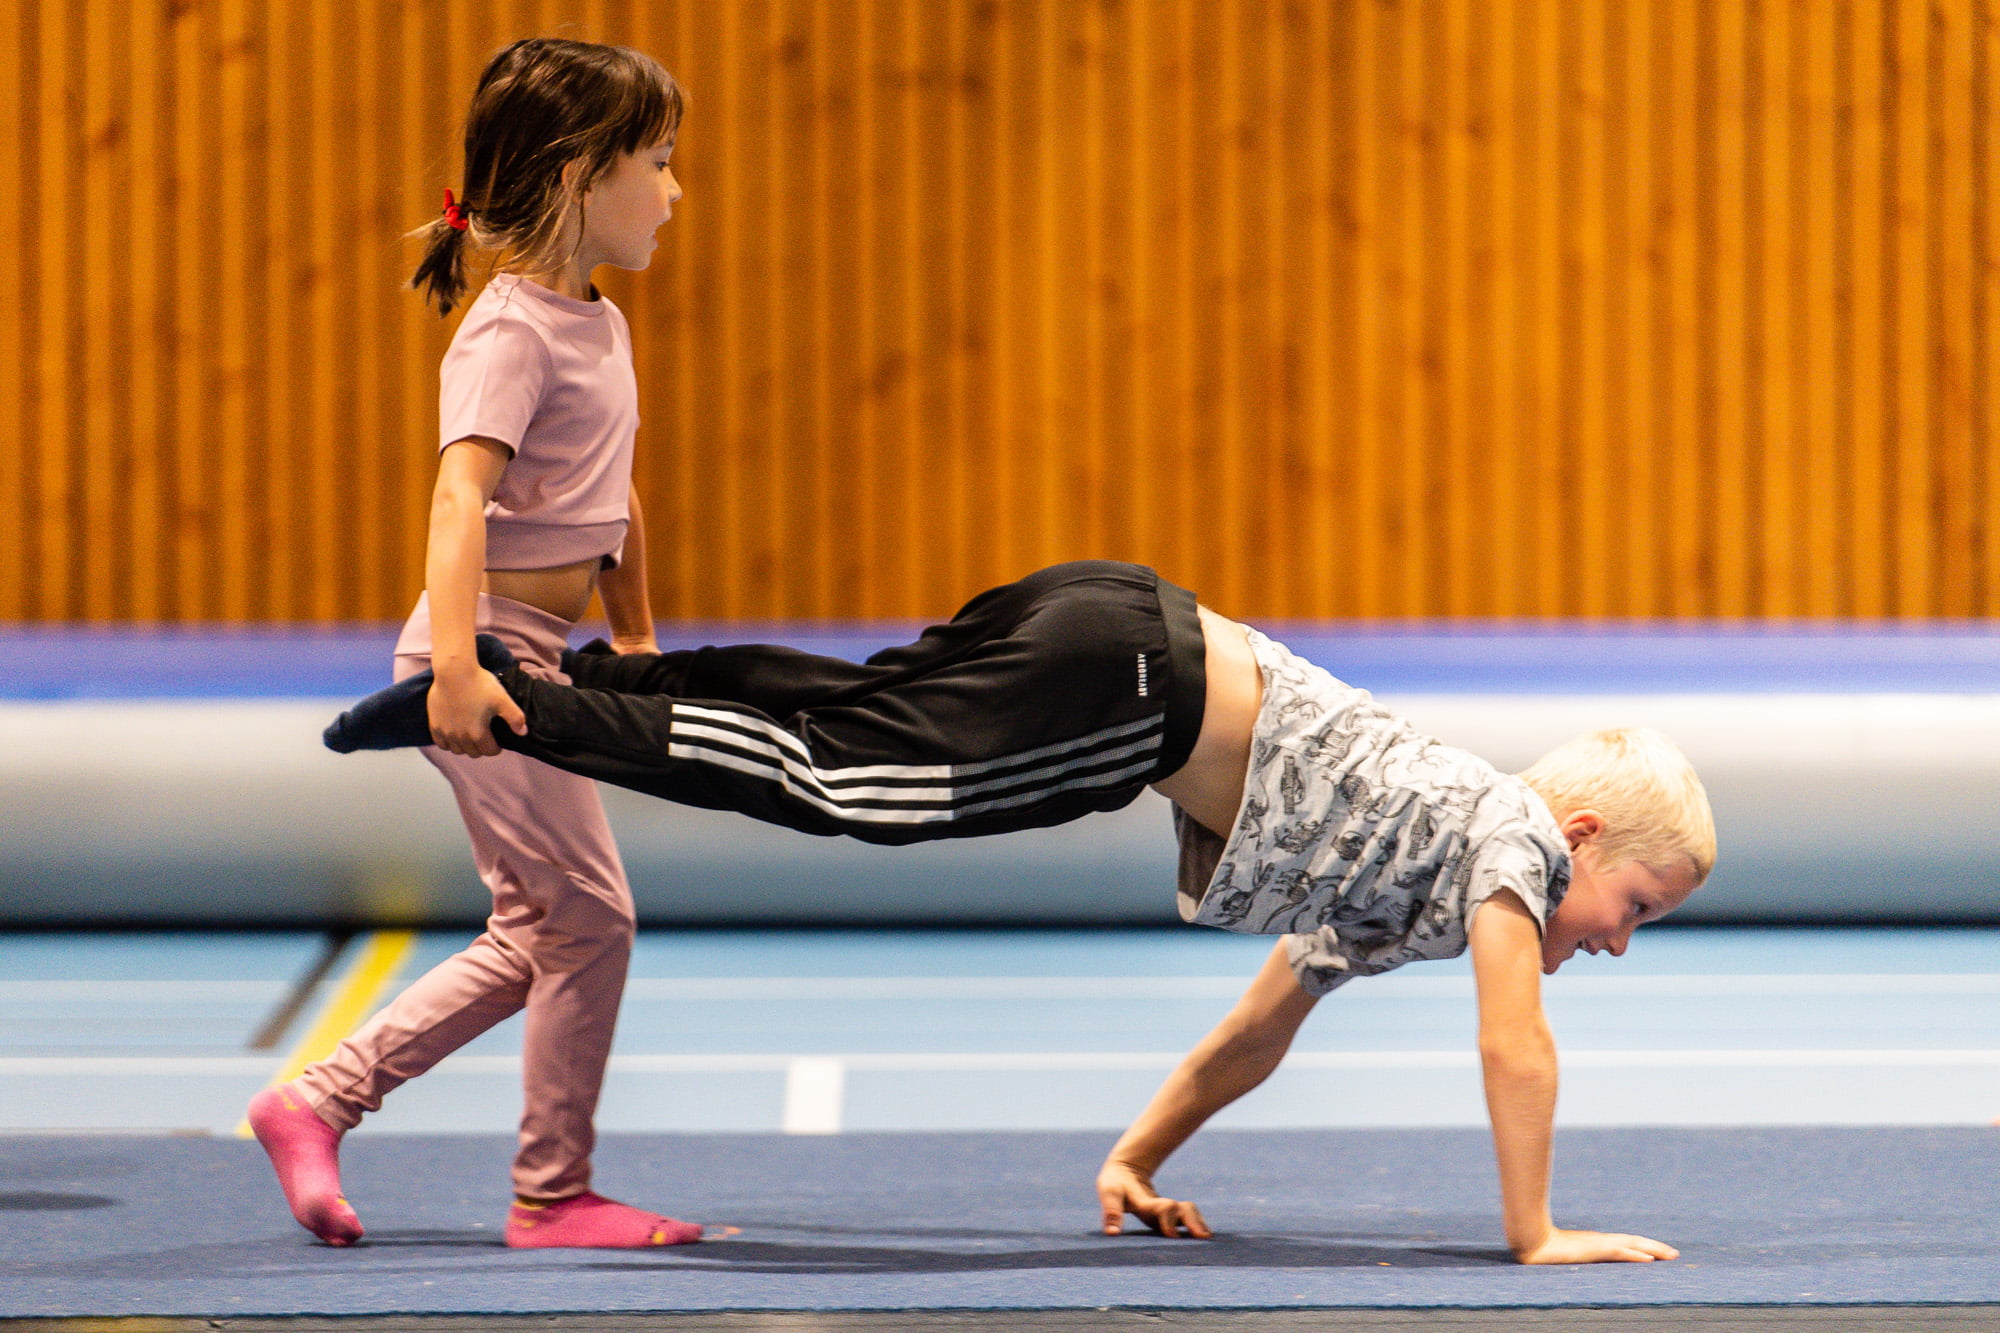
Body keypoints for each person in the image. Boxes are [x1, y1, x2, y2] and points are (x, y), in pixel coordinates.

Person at [324, 559, 1715, 1263]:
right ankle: (521, 708)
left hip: (1120, 625)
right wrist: (1536, 1232)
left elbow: (1260, 1028)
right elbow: (1513, 1041)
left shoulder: (1409, 870)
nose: (1620, 938)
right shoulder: (1511, 839)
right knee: (855, 788)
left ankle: (572, 683)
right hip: (1135, 689)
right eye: (1636, 904)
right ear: (1580, 835)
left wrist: (1133, 1153)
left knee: (854, 709)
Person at [250, 36, 702, 1250]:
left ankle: (313, 1102)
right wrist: (455, 666)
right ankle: (550, 1194)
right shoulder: (507, 332)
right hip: (484, 654)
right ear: (574, 177)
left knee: (538, 928)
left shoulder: (594, 321)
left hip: (536, 652)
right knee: (591, 921)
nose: (672, 192)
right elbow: (457, 501)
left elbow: (616, 492)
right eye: (655, 164)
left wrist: (639, 631)